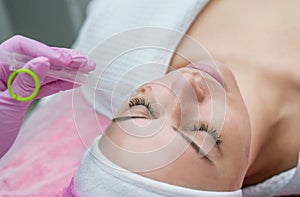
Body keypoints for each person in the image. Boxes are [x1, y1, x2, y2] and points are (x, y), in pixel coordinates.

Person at [0, 0, 299, 197]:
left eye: (142, 109)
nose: (184, 84)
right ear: (237, 185)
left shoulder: (110, 49)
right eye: (202, 134)